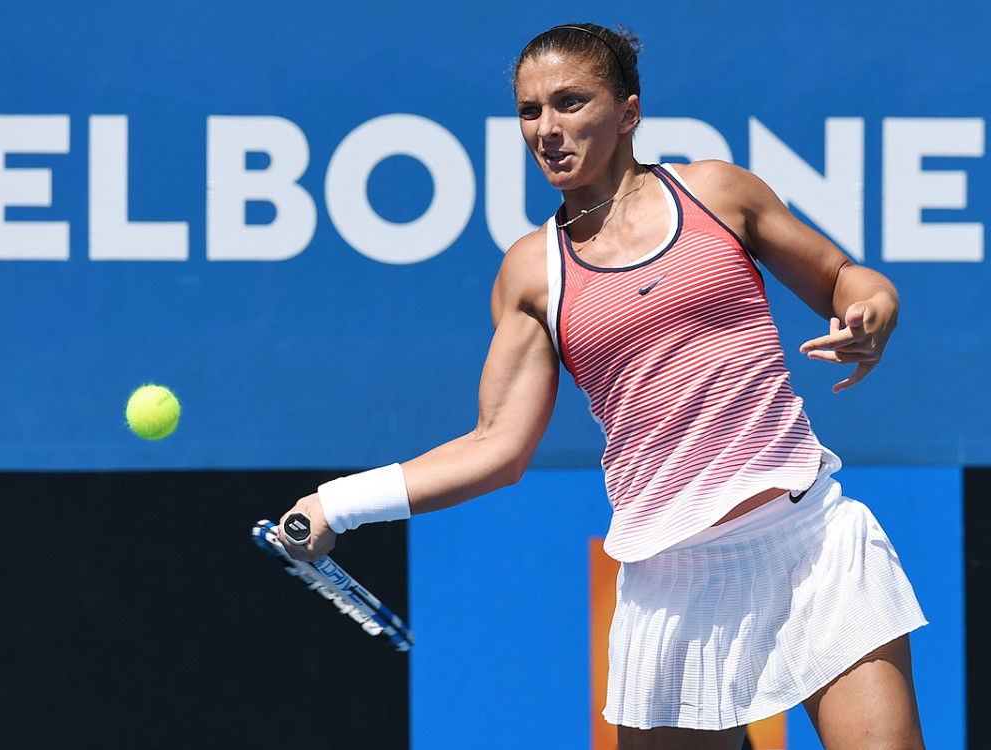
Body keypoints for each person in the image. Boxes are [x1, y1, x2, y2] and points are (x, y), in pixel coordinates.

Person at [279, 22, 927, 750]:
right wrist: (337, 502)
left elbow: (844, 277)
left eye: (570, 102)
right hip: (675, 584)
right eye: (530, 111)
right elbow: (498, 447)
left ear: (629, 112)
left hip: (810, 543)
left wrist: (873, 311)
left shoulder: (717, 192)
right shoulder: (531, 273)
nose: (547, 130)